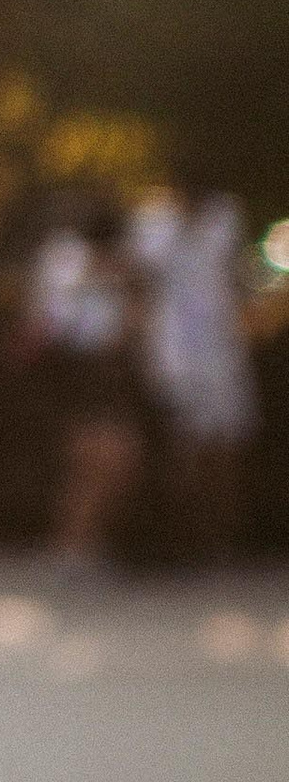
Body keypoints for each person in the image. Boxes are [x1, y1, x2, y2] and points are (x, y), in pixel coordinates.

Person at [130, 188, 261, 564]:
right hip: (172, 353)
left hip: (222, 352)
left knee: (224, 449)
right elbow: (141, 283)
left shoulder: (226, 214)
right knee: (180, 447)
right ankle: (178, 543)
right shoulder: (153, 221)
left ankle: (220, 545)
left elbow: (240, 278)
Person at [19, 195, 145, 568]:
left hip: (110, 367)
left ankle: (82, 542)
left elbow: (134, 318)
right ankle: (71, 546)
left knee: (112, 461)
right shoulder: (64, 259)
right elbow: (51, 316)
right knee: (93, 459)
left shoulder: (124, 265)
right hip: (78, 367)